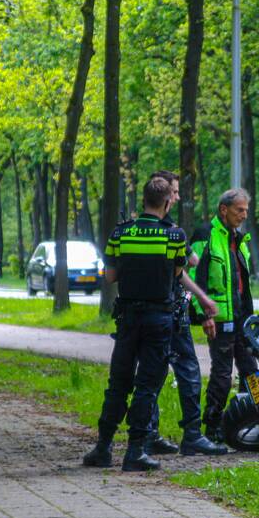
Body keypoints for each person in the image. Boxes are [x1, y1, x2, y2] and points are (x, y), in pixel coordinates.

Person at [81, 177, 185, 472]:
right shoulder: (174, 236)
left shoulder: (120, 234)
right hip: (159, 319)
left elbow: (110, 277)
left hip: (127, 318)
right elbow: (176, 272)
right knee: (147, 386)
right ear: (166, 202)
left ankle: (102, 448)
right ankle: (136, 451)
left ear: (143, 201)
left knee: (118, 383)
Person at [144, 170, 227, 457]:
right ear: (165, 197)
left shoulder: (135, 226)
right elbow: (189, 262)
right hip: (170, 310)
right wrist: (203, 300)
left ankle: (148, 434)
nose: (178, 197)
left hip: (145, 312)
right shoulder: (169, 229)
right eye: (175, 192)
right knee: (188, 370)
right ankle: (192, 434)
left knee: (150, 373)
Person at [190, 188, 258, 443]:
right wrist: (203, 315)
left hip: (242, 319)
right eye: (239, 210)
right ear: (223, 210)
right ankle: (212, 426)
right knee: (221, 375)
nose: (243, 215)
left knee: (252, 371)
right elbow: (196, 278)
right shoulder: (205, 235)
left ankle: (250, 419)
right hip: (219, 320)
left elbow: (242, 282)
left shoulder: (239, 239)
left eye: (246, 211)